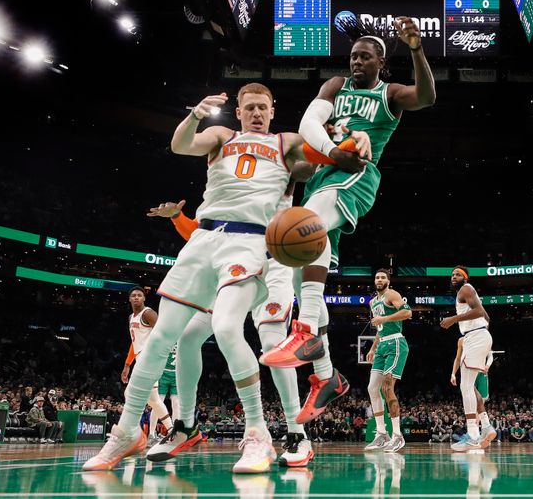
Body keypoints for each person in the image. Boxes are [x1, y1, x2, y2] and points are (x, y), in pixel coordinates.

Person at [83, 82, 357, 472]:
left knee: (257, 338)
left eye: (263, 107)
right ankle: (140, 429)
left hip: (259, 248)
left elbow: (330, 157)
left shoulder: (288, 144)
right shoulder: (221, 136)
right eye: (250, 107)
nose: (257, 113)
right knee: (171, 337)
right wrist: (195, 113)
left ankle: (278, 434)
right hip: (206, 240)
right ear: (240, 111)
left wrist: (349, 138)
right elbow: (181, 145)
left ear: (273, 110)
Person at [260, 14, 437, 427]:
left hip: (357, 173)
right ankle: (327, 378)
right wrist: (329, 152)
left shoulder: (389, 93)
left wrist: (416, 48)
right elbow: (307, 124)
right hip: (326, 171)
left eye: (365, 57)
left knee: (303, 227)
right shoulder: (335, 86)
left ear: (380, 63)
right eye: (353, 56)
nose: (356, 62)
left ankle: (302, 331)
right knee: (306, 263)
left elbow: (426, 98)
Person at [144, 193, 318, 467]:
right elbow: (202, 237)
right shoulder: (227, 177)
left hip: (272, 266)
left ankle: (297, 434)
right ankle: (186, 425)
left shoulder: (283, 165)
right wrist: (179, 218)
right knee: (188, 337)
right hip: (231, 265)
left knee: (274, 347)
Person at [440, 267, 492, 451]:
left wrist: (453, 319)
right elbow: (486, 317)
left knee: (466, 387)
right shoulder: (467, 292)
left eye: (458, 275)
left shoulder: (466, 289)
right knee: (469, 386)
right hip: (479, 336)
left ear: (465, 277)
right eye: (452, 274)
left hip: (475, 337)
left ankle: (473, 435)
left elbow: (479, 312)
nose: (454, 277)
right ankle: (485, 427)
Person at [363, 269, 412, 453]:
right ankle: (382, 434)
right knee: (372, 388)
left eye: (383, 277)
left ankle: (397, 436)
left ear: (388, 281)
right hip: (382, 345)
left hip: (396, 343)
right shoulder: (372, 302)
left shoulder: (391, 294)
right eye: (377, 277)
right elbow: (379, 327)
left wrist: (385, 317)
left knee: (386, 388)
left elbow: (407, 313)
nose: (380, 279)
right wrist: (373, 348)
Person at [121, 286, 173, 445]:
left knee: (129, 394)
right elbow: (134, 343)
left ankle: (132, 434)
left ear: (144, 299)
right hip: (140, 359)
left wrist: (156, 354)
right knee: (154, 400)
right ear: (130, 299)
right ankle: (172, 431)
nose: (136, 297)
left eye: (139, 295)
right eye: (133, 295)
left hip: (149, 359)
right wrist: (127, 365)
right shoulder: (131, 317)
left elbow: (164, 333)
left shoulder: (148, 313)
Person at [450, 337, 496, 448]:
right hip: (468, 368)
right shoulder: (463, 339)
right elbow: (457, 358)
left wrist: (487, 366)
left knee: (477, 400)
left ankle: (474, 435)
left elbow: (490, 356)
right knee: (473, 399)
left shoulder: (481, 337)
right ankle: (483, 429)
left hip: (478, 371)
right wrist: (453, 373)